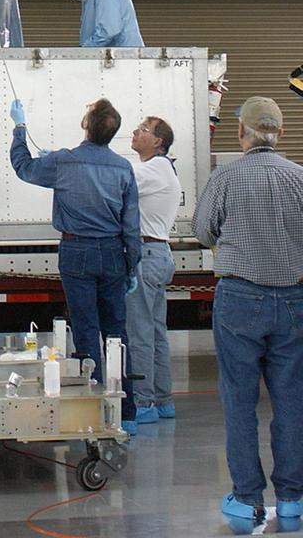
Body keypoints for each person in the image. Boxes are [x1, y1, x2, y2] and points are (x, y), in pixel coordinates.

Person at [193, 97, 303, 529]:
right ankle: (293, 498)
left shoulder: (225, 177)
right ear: (280, 133)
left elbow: (203, 231)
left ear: (241, 133)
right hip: (294, 299)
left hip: (239, 299)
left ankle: (247, 497)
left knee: (239, 400)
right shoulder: (300, 178)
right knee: (291, 400)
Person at [9, 96, 141, 432]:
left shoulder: (63, 163)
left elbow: (23, 167)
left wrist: (20, 128)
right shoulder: (123, 168)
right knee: (116, 331)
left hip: (76, 251)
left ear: (86, 125)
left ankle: (92, 407)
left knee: (85, 329)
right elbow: (132, 224)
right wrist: (132, 266)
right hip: (114, 253)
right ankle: (126, 408)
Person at [125, 115, 182, 423]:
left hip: (146, 255)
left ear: (158, 141)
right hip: (157, 253)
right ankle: (162, 400)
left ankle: (144, 402)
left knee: (140, 332)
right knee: (156, 331)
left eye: (143, 130)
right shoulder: (161, 169)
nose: (135, 132)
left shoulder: (153, 169)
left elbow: (118, 177)